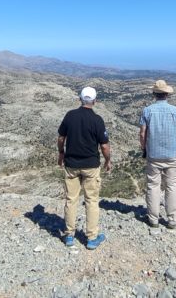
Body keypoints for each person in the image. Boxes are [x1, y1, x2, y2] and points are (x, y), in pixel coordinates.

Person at [57, 86, 112, 249]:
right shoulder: (97, 120)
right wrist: (108, 160)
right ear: (95, 101)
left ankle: (69, 235)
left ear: (80, 99)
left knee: (71, 200)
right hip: (91, 166)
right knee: (92, 201)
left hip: (71, 165)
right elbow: (104, 146)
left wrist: (61, 153)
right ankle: (91, 238)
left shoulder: (70, 116)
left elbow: (61, 138)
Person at [139, 79, 176, 228]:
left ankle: (153, 219)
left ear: (154, 93)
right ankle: (172, 219)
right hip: (172, 154)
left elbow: (142, 134)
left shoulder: (147, 111)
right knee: (172, 186)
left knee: (153, 186)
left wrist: (144, 149)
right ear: (167, 94)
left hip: (153, 155)